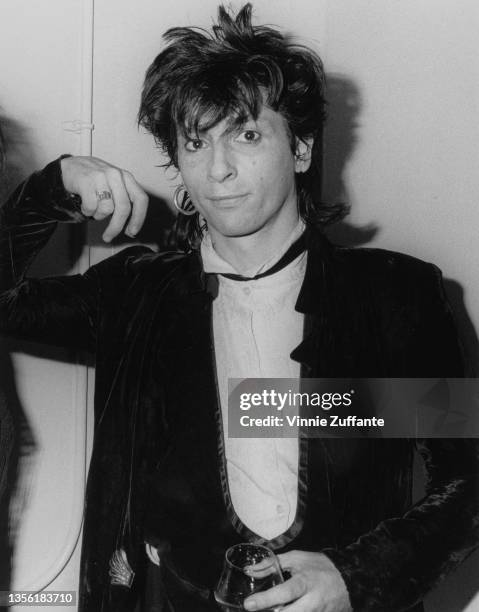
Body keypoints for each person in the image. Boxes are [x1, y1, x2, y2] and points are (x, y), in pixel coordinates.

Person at [0, 4, 477, 612]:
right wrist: (46, 194)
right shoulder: (135, 294)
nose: (218, 169)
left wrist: (356, 575)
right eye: (195, 143)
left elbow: (467, 481)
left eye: (246, 135)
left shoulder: (393, 296)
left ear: (301, 147)